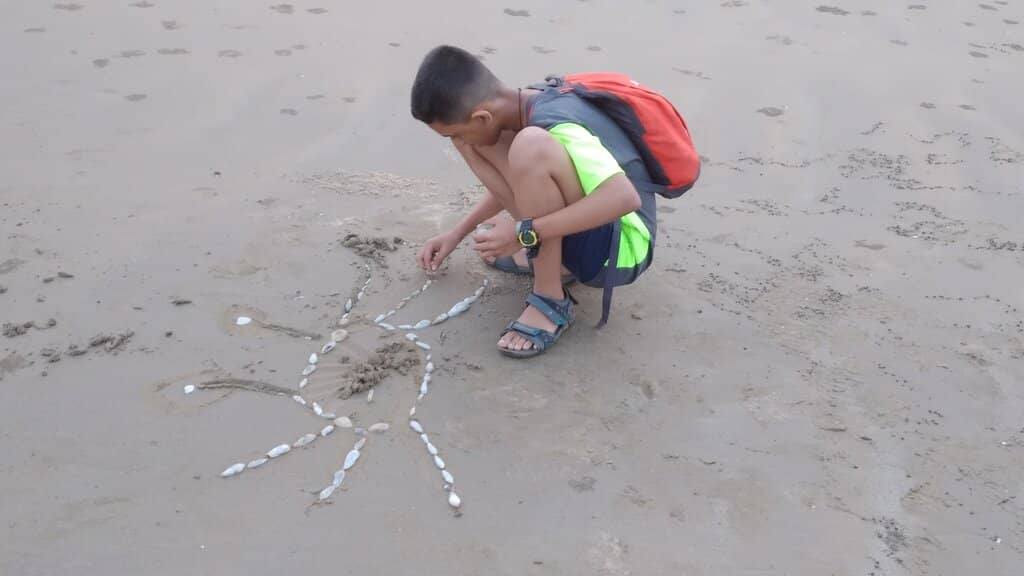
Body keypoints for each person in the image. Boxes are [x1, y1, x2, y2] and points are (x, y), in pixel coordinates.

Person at [410, 45, 673, 358]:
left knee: (528, 146)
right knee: (496, 144)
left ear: (482, 116)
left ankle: (550, 298)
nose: (458, 142)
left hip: (621, 250)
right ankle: (555, 260)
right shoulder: (523, 104)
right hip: (595, 226)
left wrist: (524, 233)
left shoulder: (555, 124)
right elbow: (527, 181)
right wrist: (457, 233)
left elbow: (623, 198)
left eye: (456, 134)